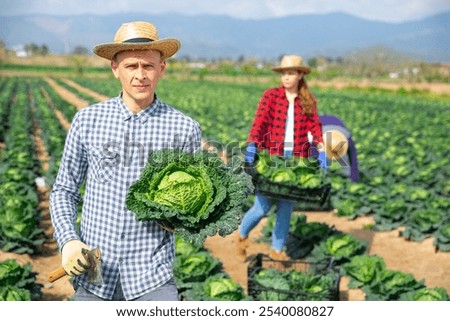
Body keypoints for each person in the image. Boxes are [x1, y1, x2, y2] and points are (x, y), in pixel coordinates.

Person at [49, 21, 201, 301]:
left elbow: (192, 207)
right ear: (115, 69)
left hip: (151, 276)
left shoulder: (184, 128)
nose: (140, 75)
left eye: (148, 66)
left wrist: (180, 217)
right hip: (95, 273)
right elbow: (64, 190)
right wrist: (69, 241)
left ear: (162, 68)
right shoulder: (88, 120)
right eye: (132, 66)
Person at [238, 55, 326, 258]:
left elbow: (315, 127)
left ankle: (277, 251)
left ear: (300, 74)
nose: (286, 77)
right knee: (262, 207)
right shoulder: (271, 96)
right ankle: (242, 234)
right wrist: (252, 144)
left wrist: (321, 149)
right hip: (272, 159)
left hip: (296, 161)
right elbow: (259, 122)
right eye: (284, 73)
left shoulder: (308, 100)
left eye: (291, 73)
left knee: (285, 211)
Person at [319, 114, 360, 182]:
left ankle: (325, 178)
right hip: (335, 133)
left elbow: (352, 153)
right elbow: (352, 154)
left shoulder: (346, 137)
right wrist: (354, 175)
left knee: (323, 167)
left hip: (327, 133)